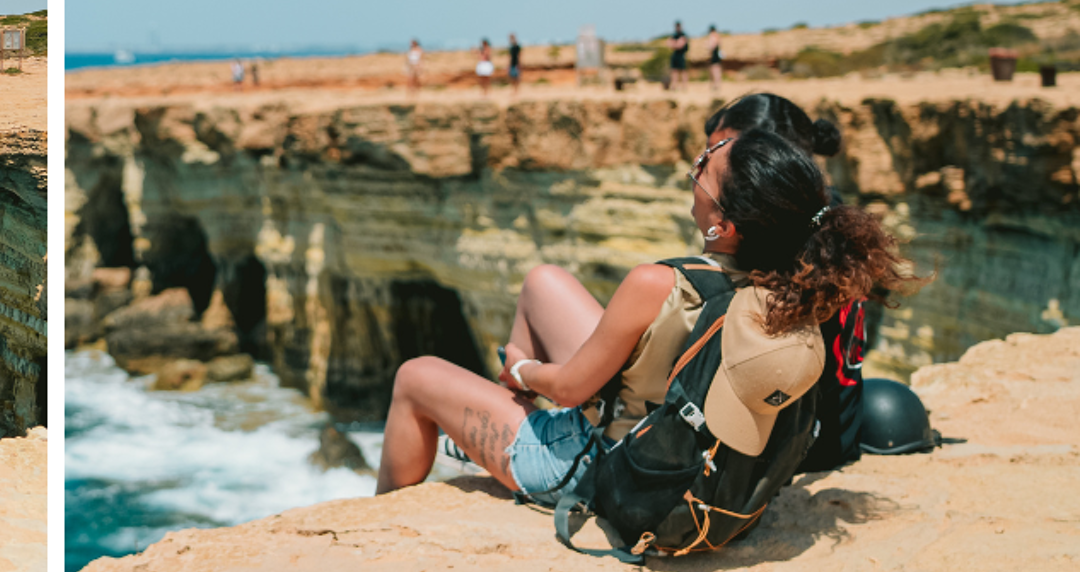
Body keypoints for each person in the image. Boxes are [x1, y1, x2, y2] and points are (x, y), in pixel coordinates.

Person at [374, 127, 914, 501]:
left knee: (414, 376)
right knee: (543, 283)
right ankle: (511, 433)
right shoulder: (791, 284)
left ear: (722, 227)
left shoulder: (656, 283)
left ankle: (405, 509)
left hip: (610, 469)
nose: (696, 167)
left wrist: (520, 370)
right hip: (686, 451)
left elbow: (566, 389)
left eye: (704, 168)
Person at [703, 93, 866, 473]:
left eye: (719, 154)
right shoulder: (827, 219)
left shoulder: (783, 242)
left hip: (803, 453)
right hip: (840, 432)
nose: (707, 168)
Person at [667, 21, 690, 92]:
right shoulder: (674, 35)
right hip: (675, 55)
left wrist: (675, 44)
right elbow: (670, 44)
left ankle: (684, 86)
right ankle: (674, 86)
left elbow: (680, 45)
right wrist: (676, 44)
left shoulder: (683, 35)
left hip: (681, 55)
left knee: (683, 71)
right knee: (674, 71)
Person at [706, 24, 724, 94]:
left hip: (714, 55)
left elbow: (712, 46)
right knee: (717, 70)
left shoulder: (713, 36)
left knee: (714, 71)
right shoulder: (718, 36)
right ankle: (717, 85)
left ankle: (715, 85)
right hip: (716, 54)